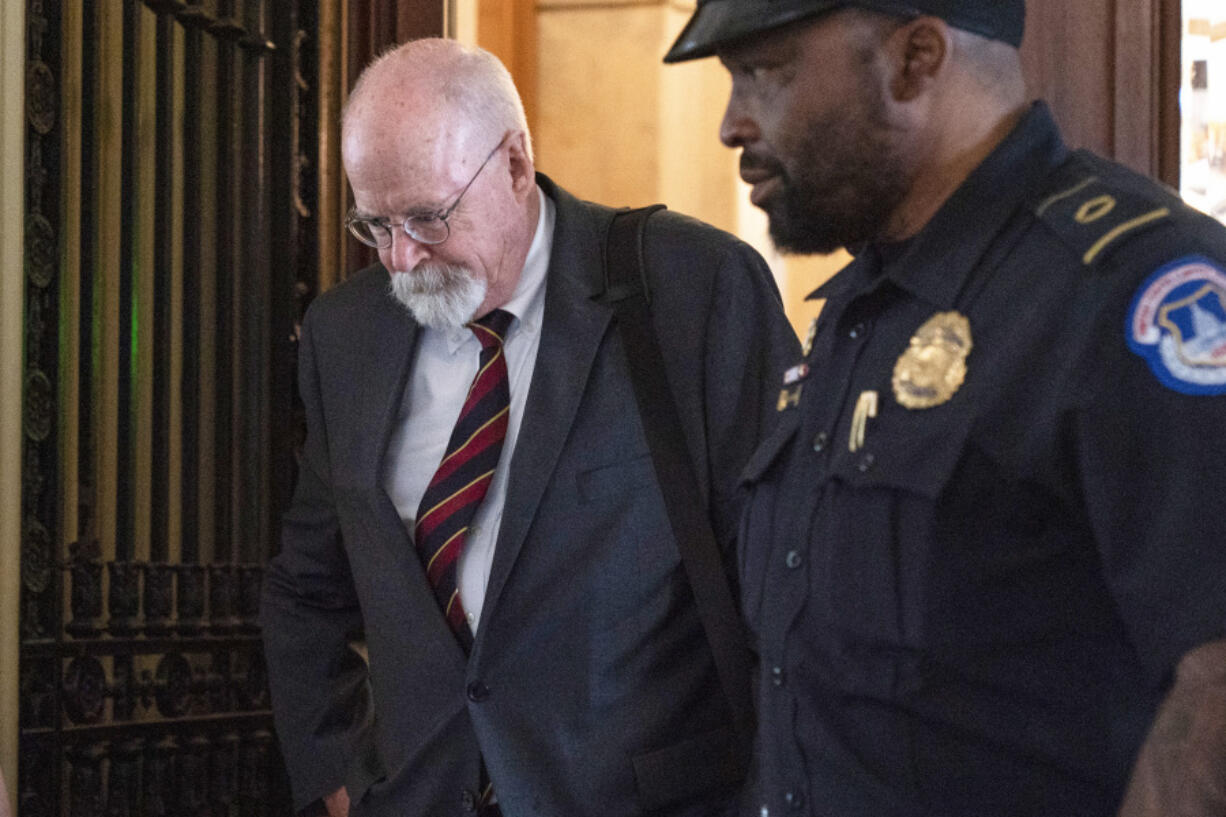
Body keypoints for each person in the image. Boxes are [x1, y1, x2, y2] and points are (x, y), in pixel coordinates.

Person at [664, 2, 1226, 816]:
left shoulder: (1132, 293)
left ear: (916, 59)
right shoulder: (866, 308)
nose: (732, 123)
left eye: (767, 73)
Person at [260, 38, 798, 817]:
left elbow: (788, 581)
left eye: (427, 217)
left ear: (514, 164)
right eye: (374, 225)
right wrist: (339, 778)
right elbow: (307, 586)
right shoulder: (346, 337)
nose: (402, 260)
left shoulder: (690, 289)